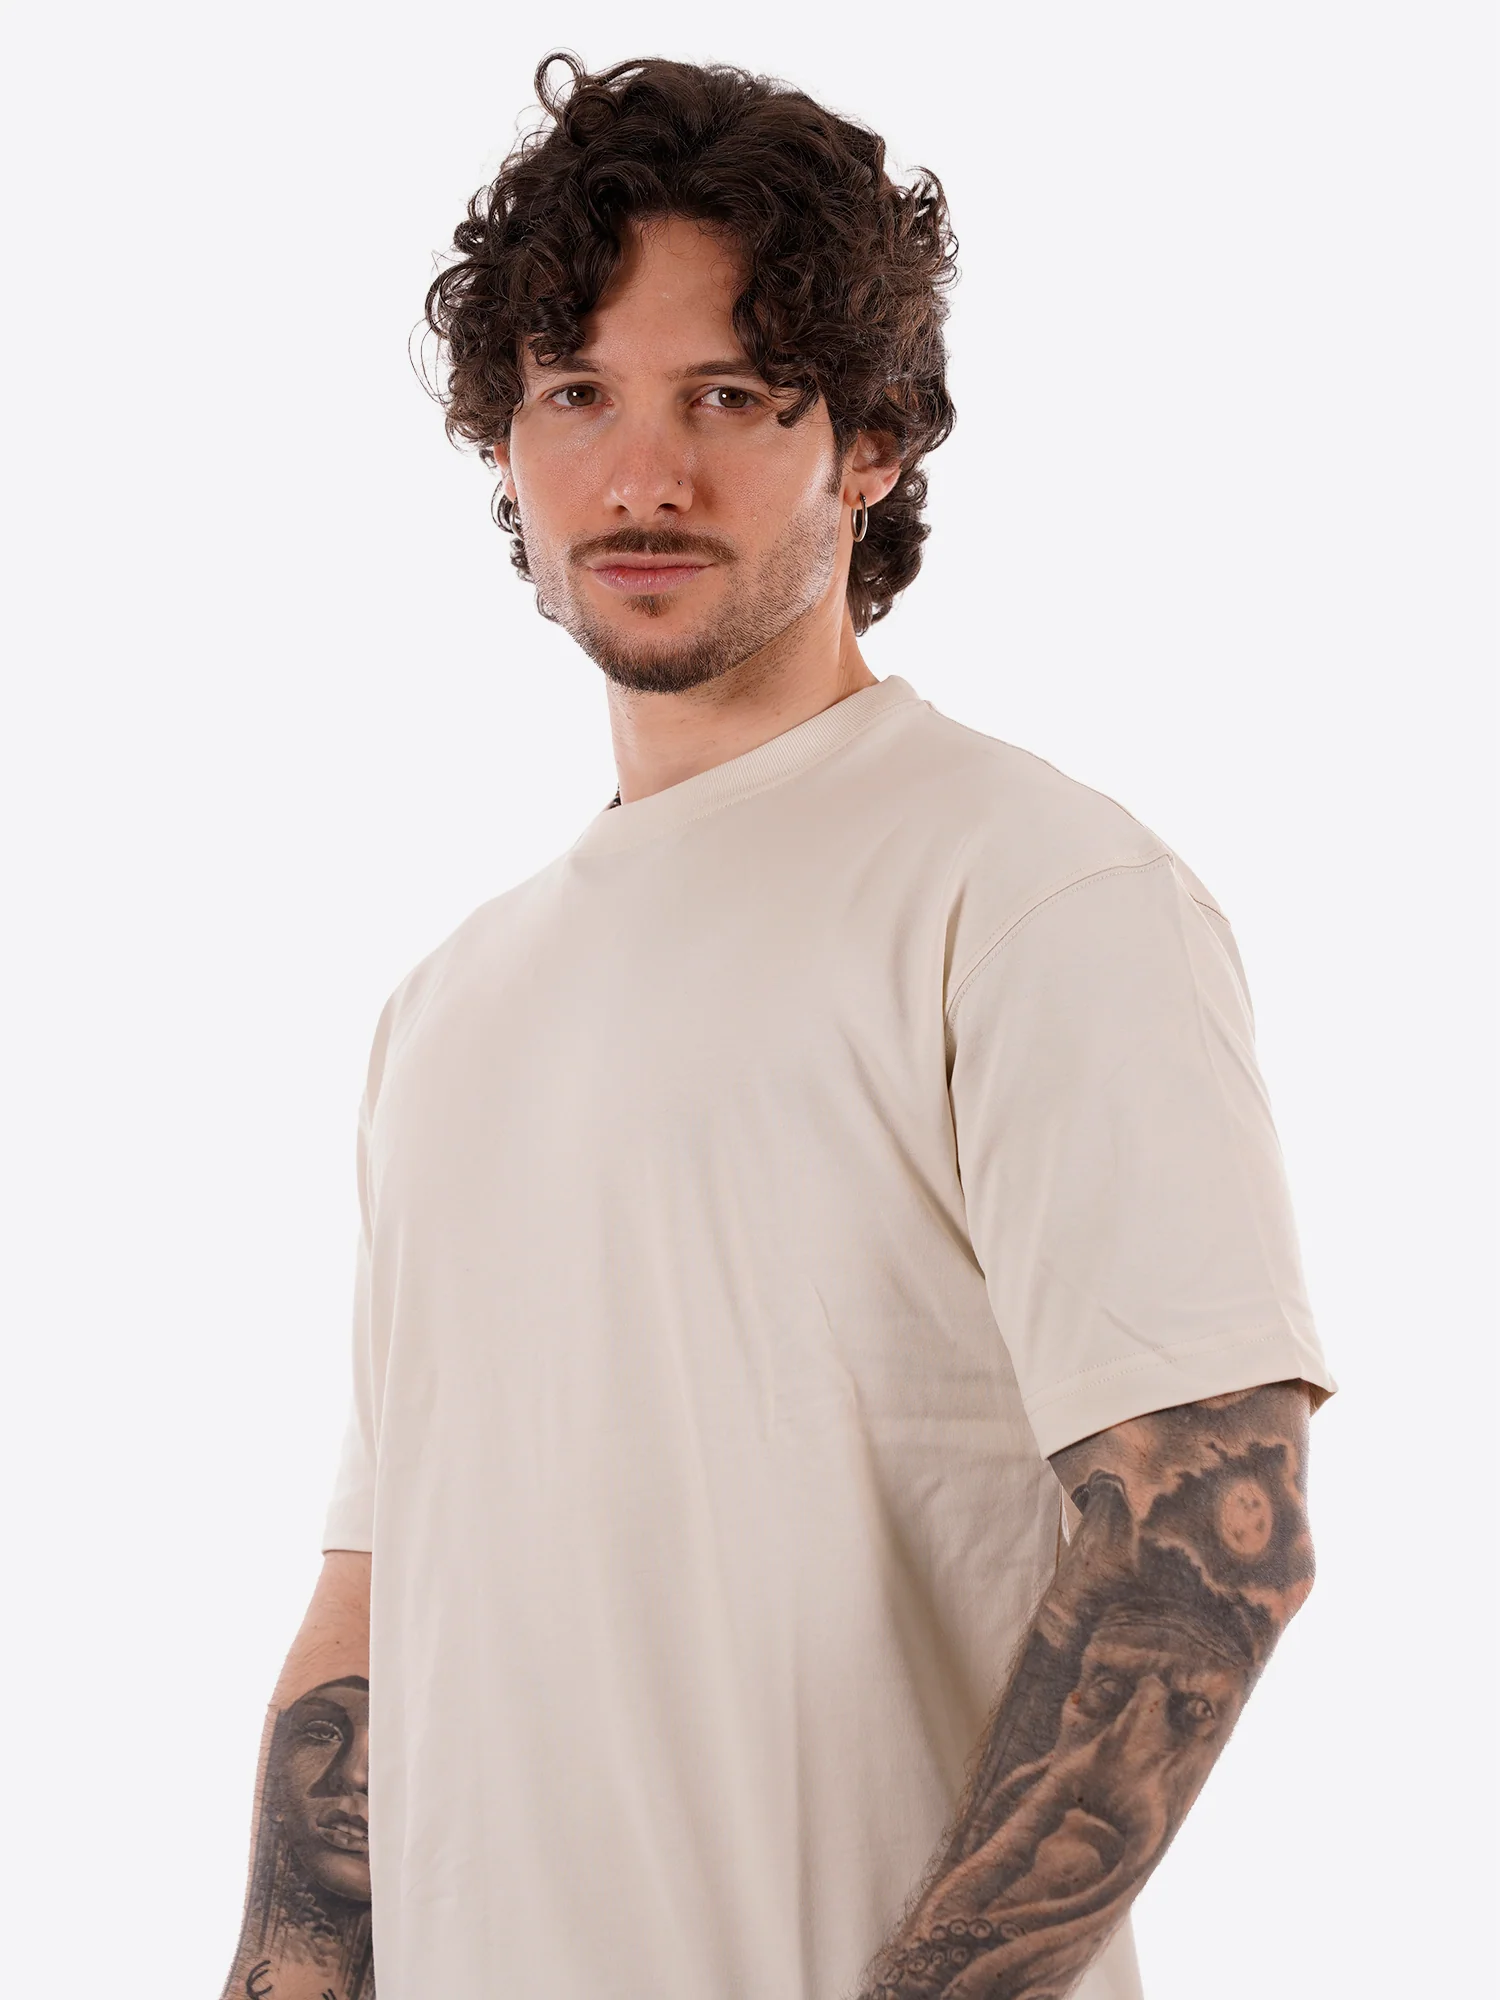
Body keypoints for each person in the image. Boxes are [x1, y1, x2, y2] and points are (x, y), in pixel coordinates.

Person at [219, 52, 1335, 2000]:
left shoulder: (1033, 888)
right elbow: (371, 1625)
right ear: (505, 443)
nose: (642, 477)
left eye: (730, 396)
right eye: (578, 396)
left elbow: (1202, 1553)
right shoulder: (451, 1008)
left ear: (873, 441)